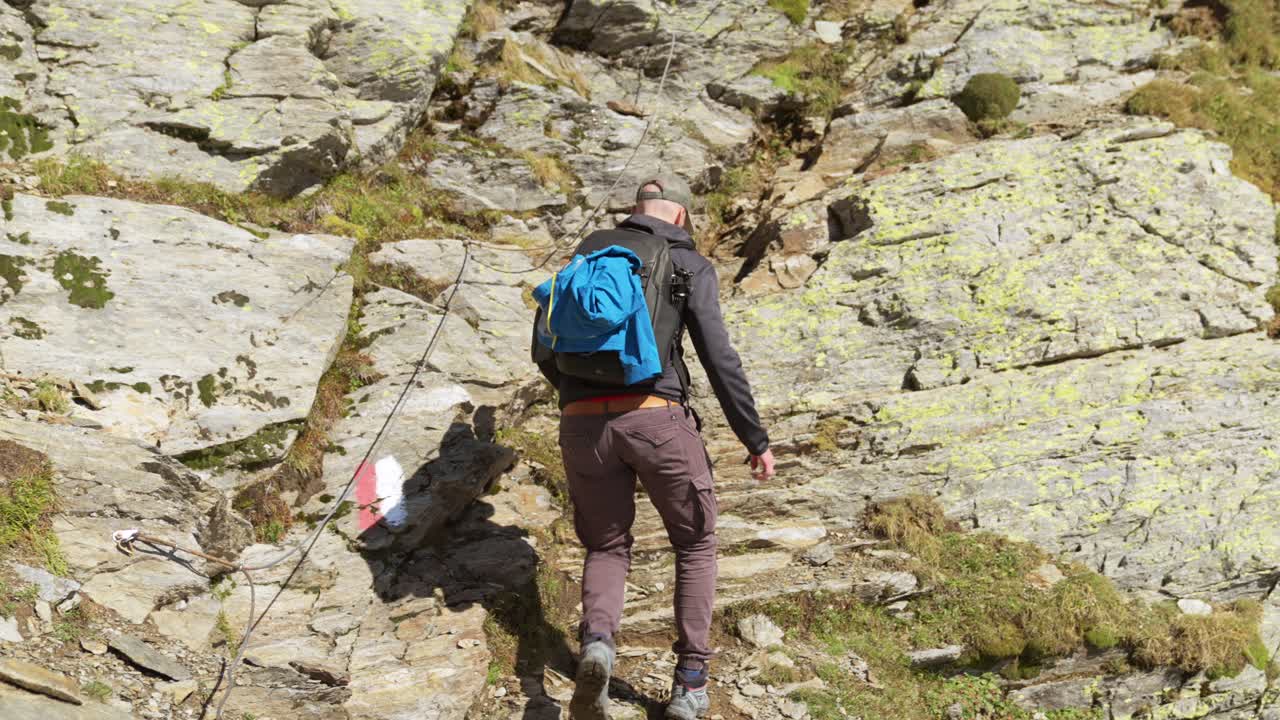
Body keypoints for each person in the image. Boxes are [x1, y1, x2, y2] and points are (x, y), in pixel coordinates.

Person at [532, 172, 776, 720]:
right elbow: (718, 356)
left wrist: (582, 401)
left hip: (582, 425)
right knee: (695, 542)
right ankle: (689, 684)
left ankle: (597, 646)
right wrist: (753, 438)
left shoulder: (586, 256)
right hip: (657, 419)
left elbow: (543, 348)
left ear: (634, 209)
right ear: (682, 216)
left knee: (607, 545)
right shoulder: (687, 263)